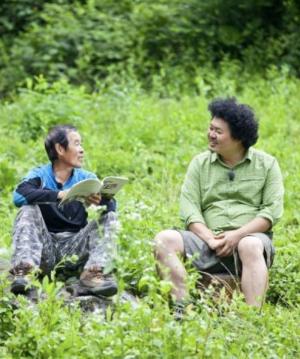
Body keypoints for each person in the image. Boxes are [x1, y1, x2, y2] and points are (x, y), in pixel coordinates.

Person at [154, 98, 284, 308]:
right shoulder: (200, 163)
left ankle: (252, 317)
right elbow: (189, 209)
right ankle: (181, 308)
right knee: (164, 239)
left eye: (218, 131)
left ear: (238, 138)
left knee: (249, 244)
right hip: (207, 242)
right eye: (210, 128)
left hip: (249, 242)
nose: (210, 135)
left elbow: (271, 212)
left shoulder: (267, 165)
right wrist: (210, 238)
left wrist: (236, 236)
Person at [10, 124, 118, 297]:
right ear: (60, 148)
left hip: (75, 249)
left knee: (110, 216)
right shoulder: (39, 175)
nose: (82, 150)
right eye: (76, 144)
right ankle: (25, 270)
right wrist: (60, 194)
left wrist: (100, 201)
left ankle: (94, 273)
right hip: (45, 250)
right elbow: (19, 196)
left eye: (81, 144)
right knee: (28, 209)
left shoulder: (87, 178)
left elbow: (111, 208)